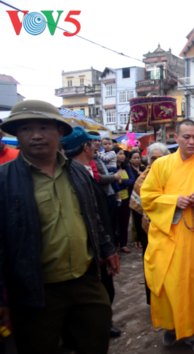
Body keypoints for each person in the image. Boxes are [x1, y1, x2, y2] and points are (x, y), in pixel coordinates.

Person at [0, 100, 120, 353]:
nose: (35, 135)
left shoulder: (77, 171)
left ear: (60, 133)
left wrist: (107, 248)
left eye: (44, 127)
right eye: (25, 129)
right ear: (16, 135)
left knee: (95, 341)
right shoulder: (5, 180)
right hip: (36, 290)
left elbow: (92, 215)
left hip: (85, 280)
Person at [141, 120, 194, 353]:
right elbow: (148, 197)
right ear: (175, 138)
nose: (192, 141)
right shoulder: (161, 165)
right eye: (186, 137)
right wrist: (173, 201)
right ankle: (172, 327)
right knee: (170, 284)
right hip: (169, 236)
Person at [61, 126, 123, 338]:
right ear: (84, 147)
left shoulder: (87, 169)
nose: (97, 147)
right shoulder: (71, 174)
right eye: (93, 144)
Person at [130, 143, 169, 306]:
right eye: (153, 158)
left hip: (169, 229)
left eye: (160, 158)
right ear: (148, 160)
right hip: (148, 231)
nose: (157, 161)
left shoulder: (172, 177)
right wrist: (136, 236)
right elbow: (135, 209)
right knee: (151, 265)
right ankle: (152, 299)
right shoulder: (142, 180)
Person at [113, 146, 136, 253]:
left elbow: (132, 181)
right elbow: (111, 183)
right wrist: (124, 185)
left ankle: (123, 244)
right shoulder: (110, 168)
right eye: (119, 154)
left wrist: (121, 183)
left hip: (126, 198)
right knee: (114, 222)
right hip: (114, 199)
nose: (122, 156)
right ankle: (113, 245)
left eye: (123, 154)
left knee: (125, 222)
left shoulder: (127, 168)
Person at [98, 137, 122, 204]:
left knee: (114, 183)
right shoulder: (103, 152)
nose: (107, 145)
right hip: (107, 169)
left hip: (112, 169)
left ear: (112, 145)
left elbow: (106, 158)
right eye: (105, 144)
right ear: (101, 145)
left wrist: (98, 154)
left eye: (109, 144)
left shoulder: (112, 152)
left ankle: (119, 198)